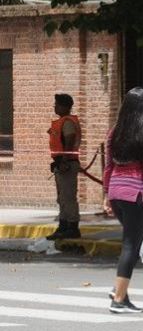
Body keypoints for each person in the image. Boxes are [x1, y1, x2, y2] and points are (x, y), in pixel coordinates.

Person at [102, 87, 143, 313]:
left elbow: (109, 166)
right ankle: (118, 298)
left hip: (116, 193)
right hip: (136, 195)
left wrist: (105, 196)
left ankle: (121, 292)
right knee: (132, 245)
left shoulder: (115, 132)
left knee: (130, 243)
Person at [47, 93, 81, 240]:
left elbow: (69, 139)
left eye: (57, 104)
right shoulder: (61, 122)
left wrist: (65, 160)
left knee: (68, 197)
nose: (55, 106)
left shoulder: (67, 122)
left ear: (66, 106)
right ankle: (63, 226)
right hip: (60, 163)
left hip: (66, 164)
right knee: (62, 198)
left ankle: (72, 227)